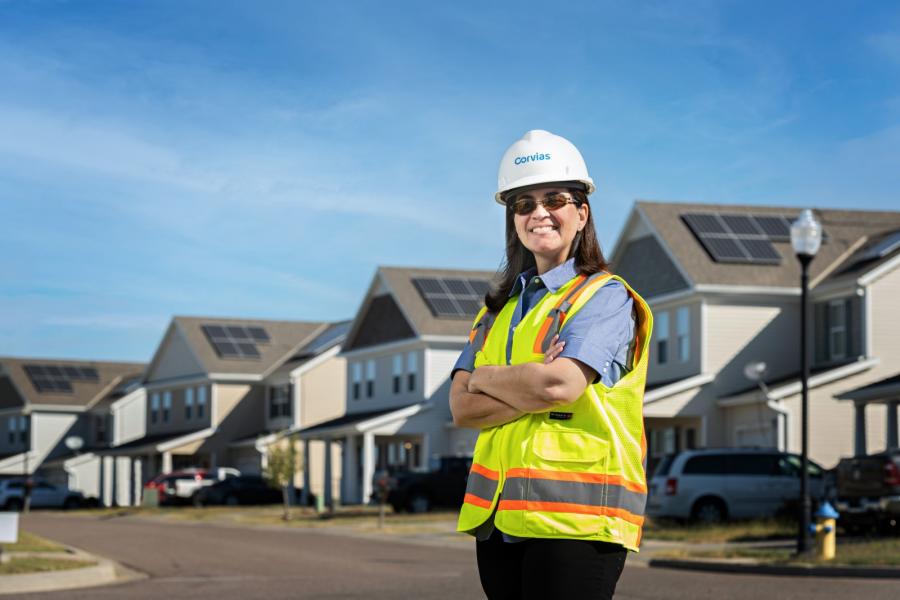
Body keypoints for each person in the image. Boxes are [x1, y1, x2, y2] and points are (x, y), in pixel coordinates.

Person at [450, 130, 653, 600]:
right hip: (498, 522)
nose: (538, 212)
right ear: (513, 219)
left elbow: (560, 386)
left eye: (555, 199)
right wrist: (528, 383)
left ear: (581, 213)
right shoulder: (494, 312)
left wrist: (486, 379)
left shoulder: (603, 298)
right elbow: (461, 409)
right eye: (523, 203)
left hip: (577, 522)